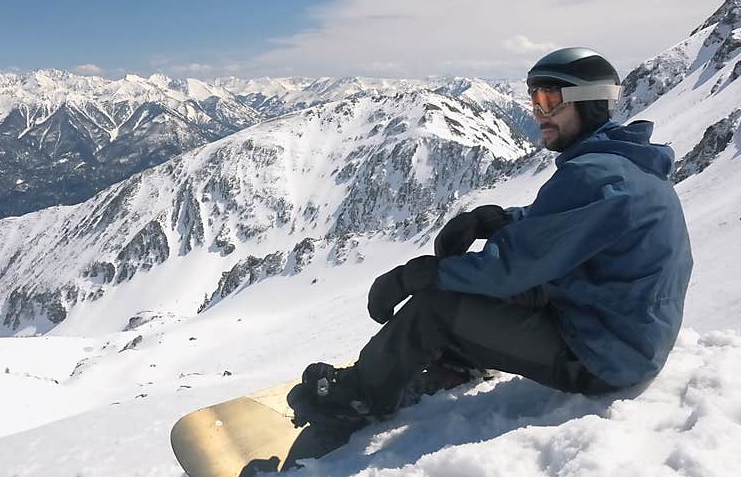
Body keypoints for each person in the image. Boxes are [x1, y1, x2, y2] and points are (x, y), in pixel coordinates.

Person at [289, 47, 694, 427]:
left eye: (550, 100)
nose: (539, 113)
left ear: (587, 102)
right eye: (534, 100)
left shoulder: (592, 175)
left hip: (602, 357)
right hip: (621, 334)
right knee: (493, 289)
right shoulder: (621, 165)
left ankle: (360, 397)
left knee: (437, 304)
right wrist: (497, 220)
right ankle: (457, 358)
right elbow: (561, 227)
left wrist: (414, 276)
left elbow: (507, 270)